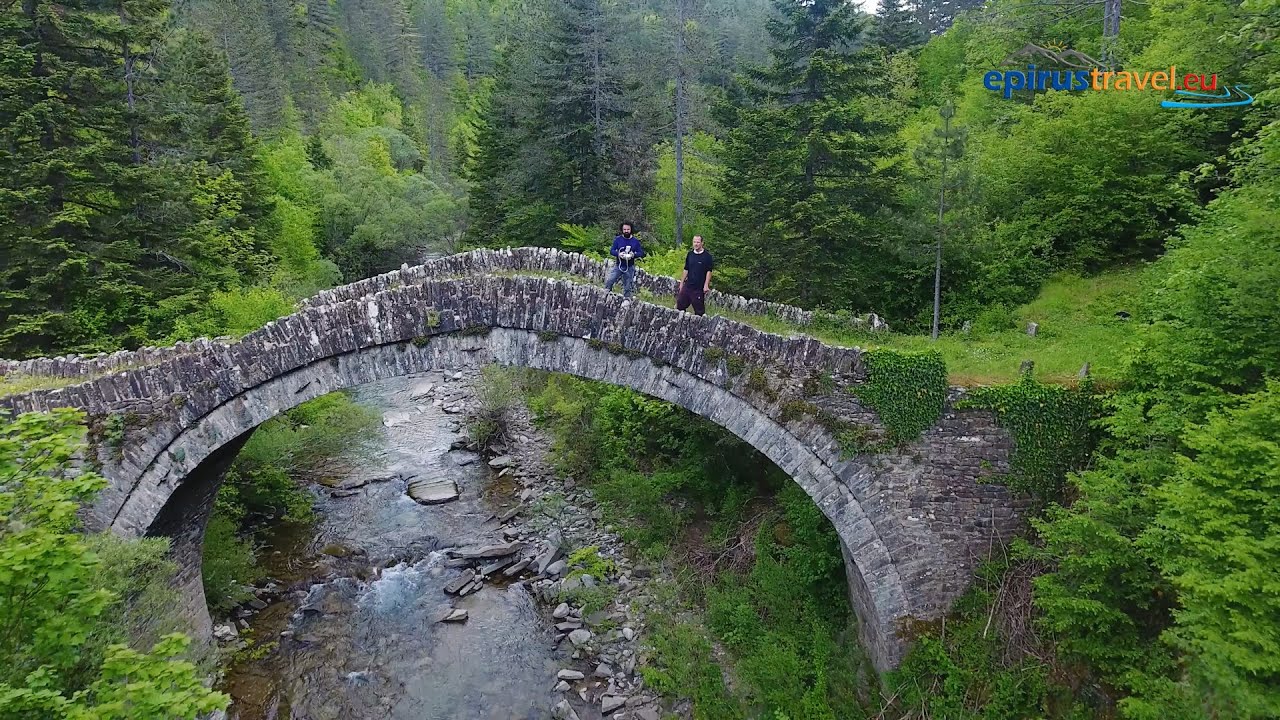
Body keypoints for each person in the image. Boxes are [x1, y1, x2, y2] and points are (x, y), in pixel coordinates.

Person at [605, 222, 645, 299]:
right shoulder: (618, 240)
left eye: (628, 229)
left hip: (630, 267)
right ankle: (606, 297)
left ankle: (626, 303)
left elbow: (641, 253)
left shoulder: (635, 241)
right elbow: (612, 251)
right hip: (619, 265)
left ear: (631, 230)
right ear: (622, 230)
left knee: (628, 287)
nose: (626, 231)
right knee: (610, 280)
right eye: (624, 229)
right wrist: (619, 254)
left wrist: (633, 255)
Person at [676, 235, 713, 316]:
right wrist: (681, 283)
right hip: (688, 285)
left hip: (698, 288)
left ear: (702, 243)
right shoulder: (690, 254)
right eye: (694, 242)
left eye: (698, 242)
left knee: (699, 311)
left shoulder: (707, 257)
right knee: (680, 305)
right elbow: (686, 269)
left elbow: (709, 271)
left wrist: (706, 285)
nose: (696, 244)